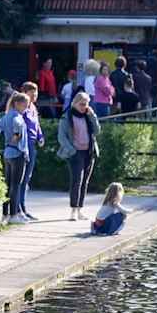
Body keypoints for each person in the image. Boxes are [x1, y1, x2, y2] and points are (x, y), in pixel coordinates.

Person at [56, 91, 102, 220]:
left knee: (85, 182)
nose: (84, 107)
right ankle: (73, 210)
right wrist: (71, 151)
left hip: (89, 151)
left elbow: (97, 131)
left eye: (86, 104)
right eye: (82, 104)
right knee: (77, 180)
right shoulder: (67, 117)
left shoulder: (88, 115)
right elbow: (62, 136)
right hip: (75, 152)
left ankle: (80, 209)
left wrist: (92, 116)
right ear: (75, 103)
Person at [0, 94, 34, 222]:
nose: (26, 108)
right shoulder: (17, 116)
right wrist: (17, 134)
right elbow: (17, 124)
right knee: (16, 185)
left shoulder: (7, 115)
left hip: (8, 152)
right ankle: (14, 214)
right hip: (18, 153)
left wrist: (6, 134)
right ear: (17, 104)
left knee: (7, 184)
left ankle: (4, 214)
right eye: (24, 105)